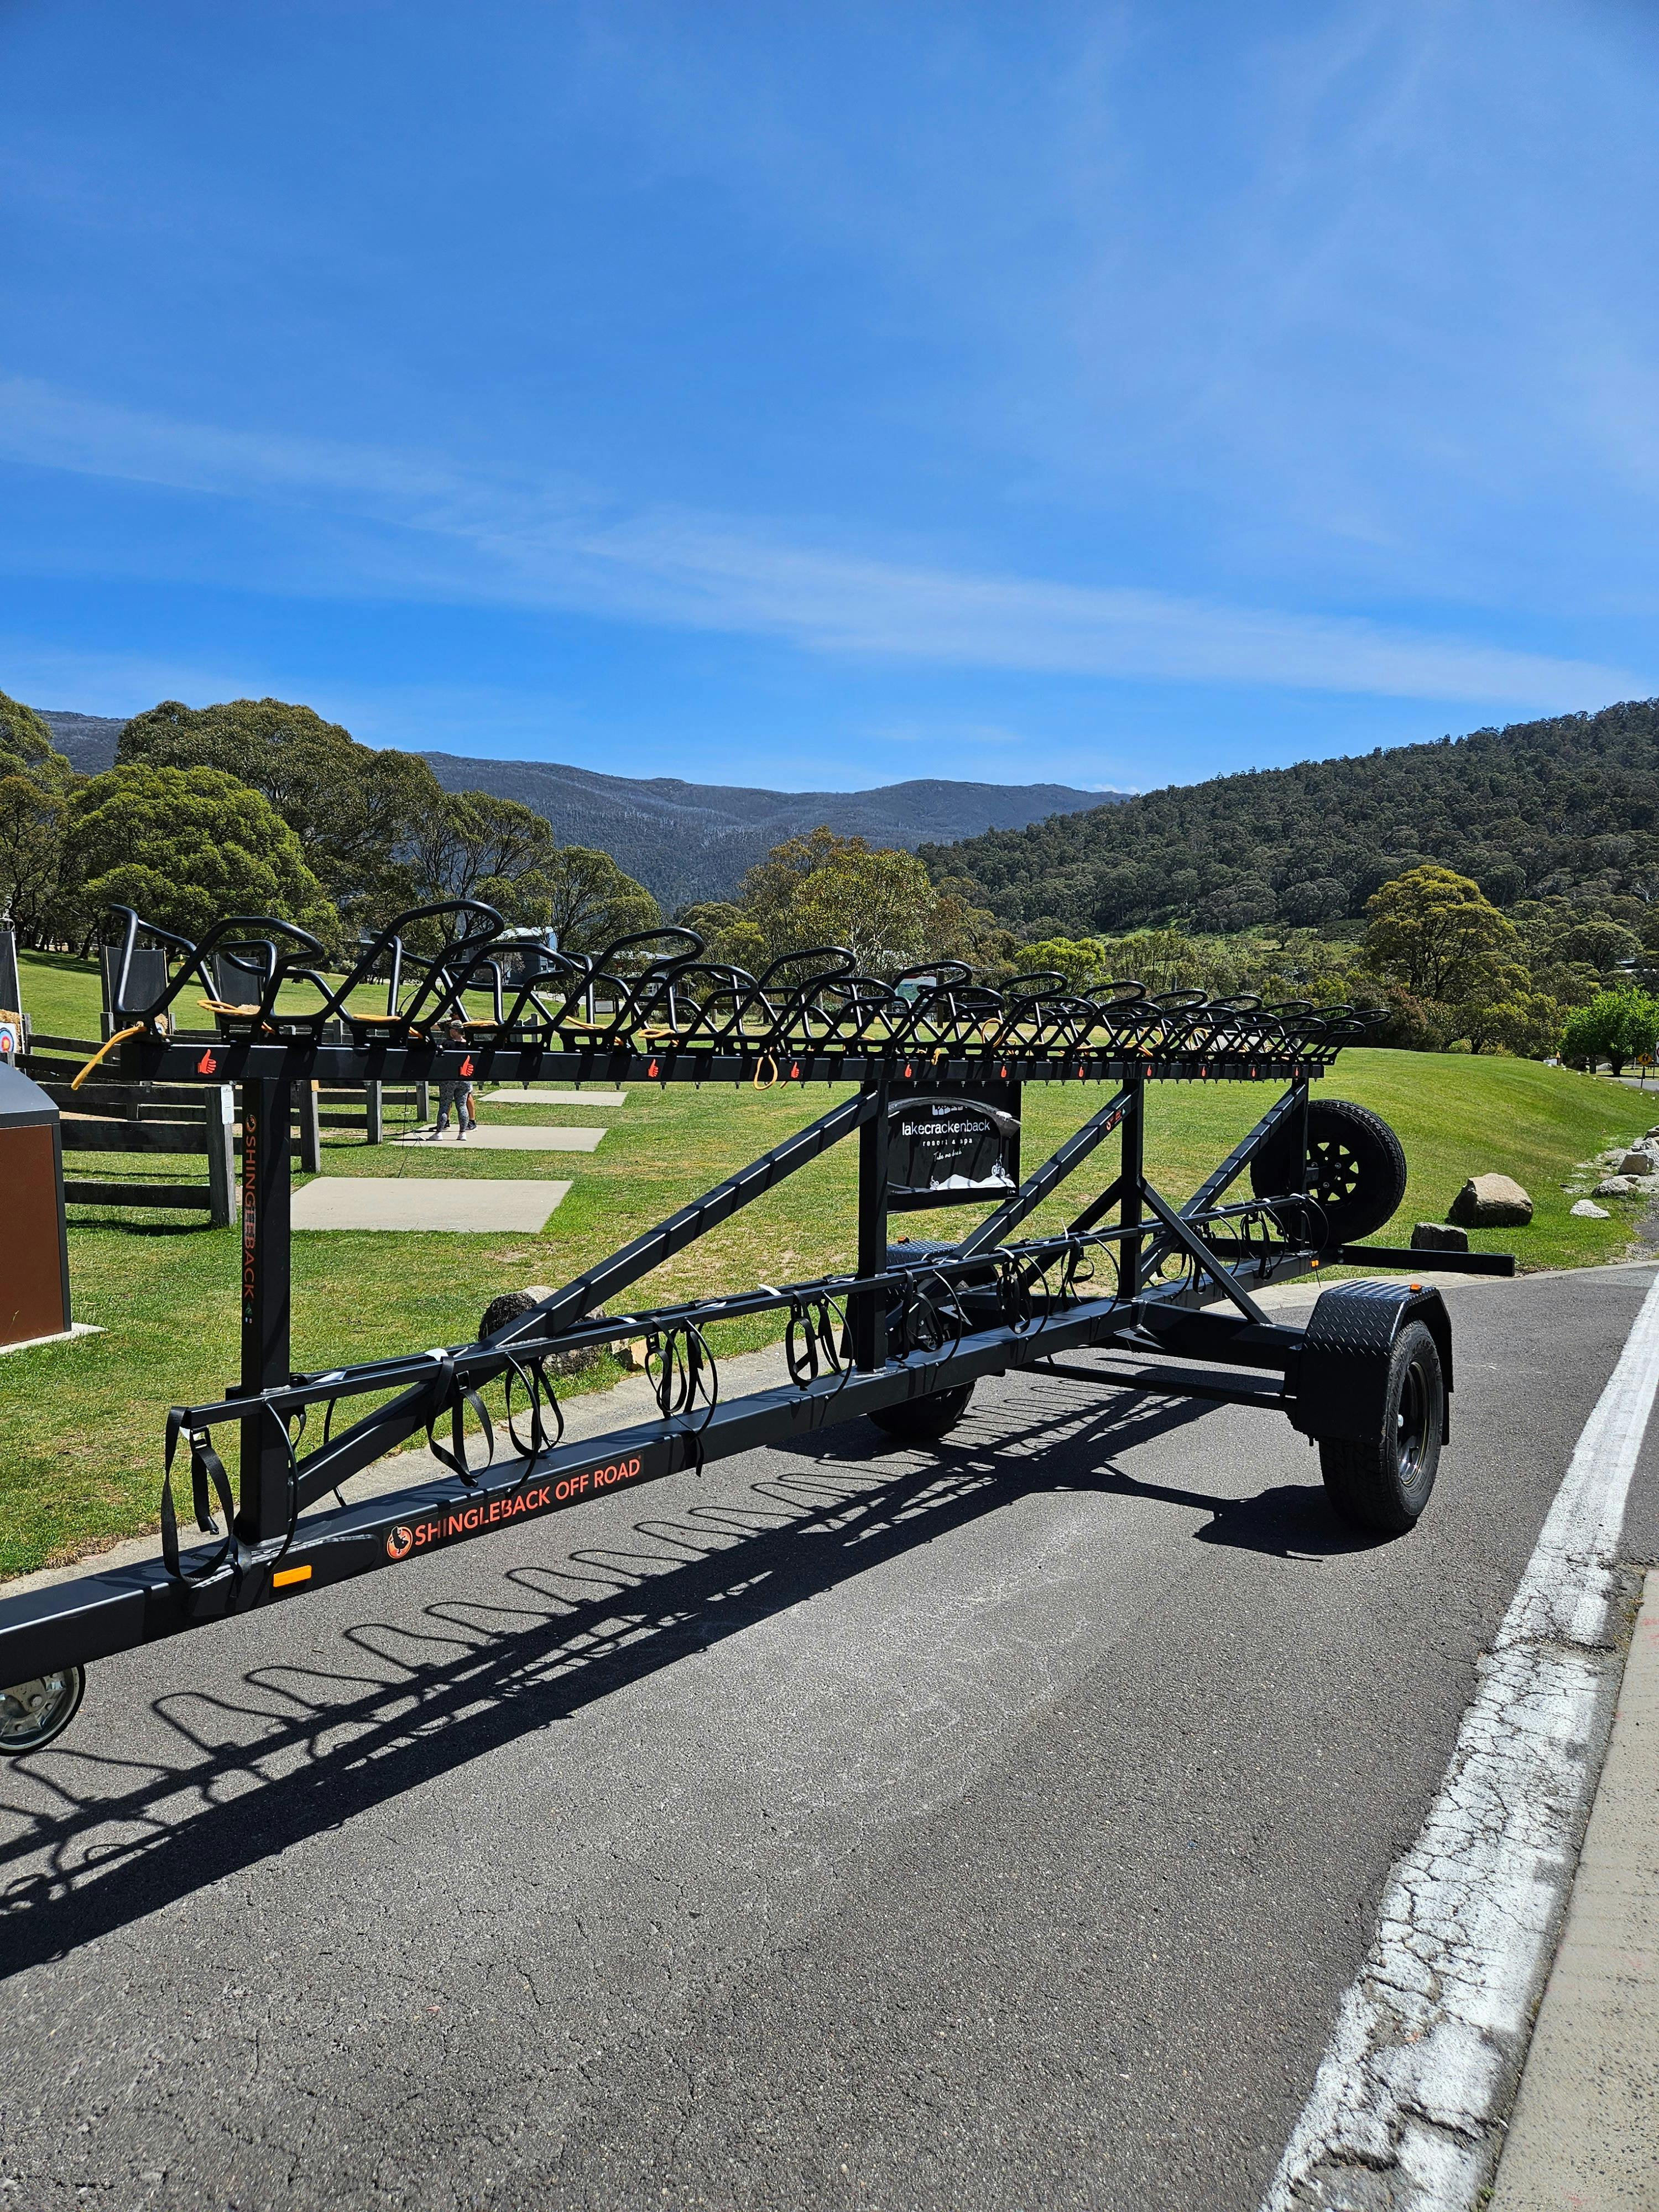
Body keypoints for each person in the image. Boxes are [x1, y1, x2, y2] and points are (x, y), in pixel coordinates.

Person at [432, 1018, 476, 1139]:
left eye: (451, 1029)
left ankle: (439, 1132)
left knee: (445, 1105)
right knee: (462, 1105)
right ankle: (462, 1133)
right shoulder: (469, 1045)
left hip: (449, 1079)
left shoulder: (447, 1044)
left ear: (456, 1031)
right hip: (465, 1079)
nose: (450, 1031)